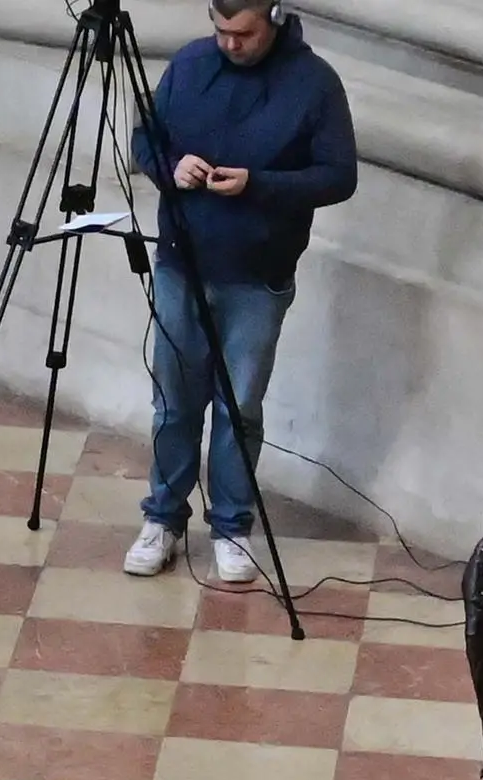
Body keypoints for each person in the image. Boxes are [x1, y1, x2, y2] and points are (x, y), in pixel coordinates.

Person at [119, 0, 353, 586]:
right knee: (173, 401)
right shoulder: (191, 65)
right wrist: (171, 167)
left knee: (238, 407)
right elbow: (146, 138)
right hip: (182, 264)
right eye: (221, 31)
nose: (230, 44)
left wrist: (259, 185)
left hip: (258, 275)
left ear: (274, 18)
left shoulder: (315, 84)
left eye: (243, 34)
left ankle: (231, 528)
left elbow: (338, 176)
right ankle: (163, 520)